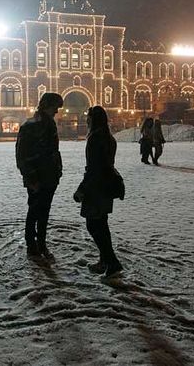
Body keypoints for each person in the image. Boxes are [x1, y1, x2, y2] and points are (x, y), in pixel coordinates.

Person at [73, 106, 124, 279]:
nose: (86, 119)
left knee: (93, 225)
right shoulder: (109, 138)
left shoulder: (95, 138)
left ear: (93, 119)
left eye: (88, 117)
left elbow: (93, 168)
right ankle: (104, 261)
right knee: (102, 224)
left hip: (96, 186)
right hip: (107, 184)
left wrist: (82, 188)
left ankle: (111, 262)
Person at [15, 92, 64, 260]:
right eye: (55, 107)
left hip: (49, 176)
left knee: (44, 212)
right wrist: (31, 178)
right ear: (46, 105)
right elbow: (22, 156)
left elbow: (53, 151)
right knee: (34, 211)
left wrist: (57, 171)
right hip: (37, 178)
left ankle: (41, 244)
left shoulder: (49, 124)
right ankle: (32, 245)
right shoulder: (31, 125)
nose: (57, 111)